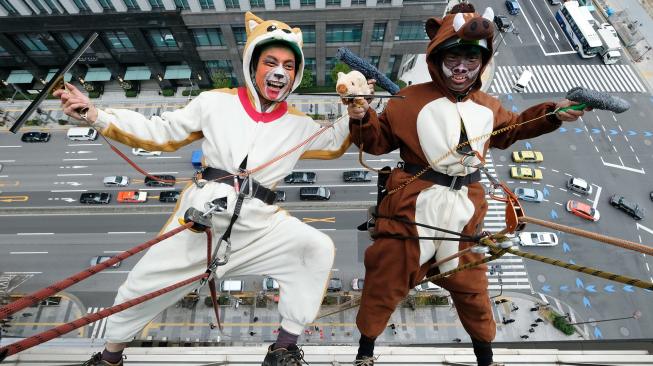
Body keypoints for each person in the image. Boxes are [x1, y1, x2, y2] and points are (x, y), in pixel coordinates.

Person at [54, 12, 351, 366]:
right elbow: (160, 132)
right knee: (140, 286)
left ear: (296, 75)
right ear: (253, 65)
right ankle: (109, 356)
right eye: (270, 62)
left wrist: (357, 105)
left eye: (288, 66)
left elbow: (335, 141)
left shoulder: (298, 124)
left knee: (314, 248)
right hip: (201, 222)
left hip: (259, 226)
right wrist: (95, 114)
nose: (279, 72)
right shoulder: (215, 102)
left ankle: (283, 348)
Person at [346, 3, 589, 366]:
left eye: (471, 60)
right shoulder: (407, 100)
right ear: (438, 58)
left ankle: (485, 358)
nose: (461, 68)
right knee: (387, 272)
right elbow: (376, 143)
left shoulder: (487, 105)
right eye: (453, 57)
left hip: (465, 207)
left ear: (482, 62)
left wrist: (553, 112)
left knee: (473, 285)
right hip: (414, 203)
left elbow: (515, 128)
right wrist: (362, 116)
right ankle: (365, 351)